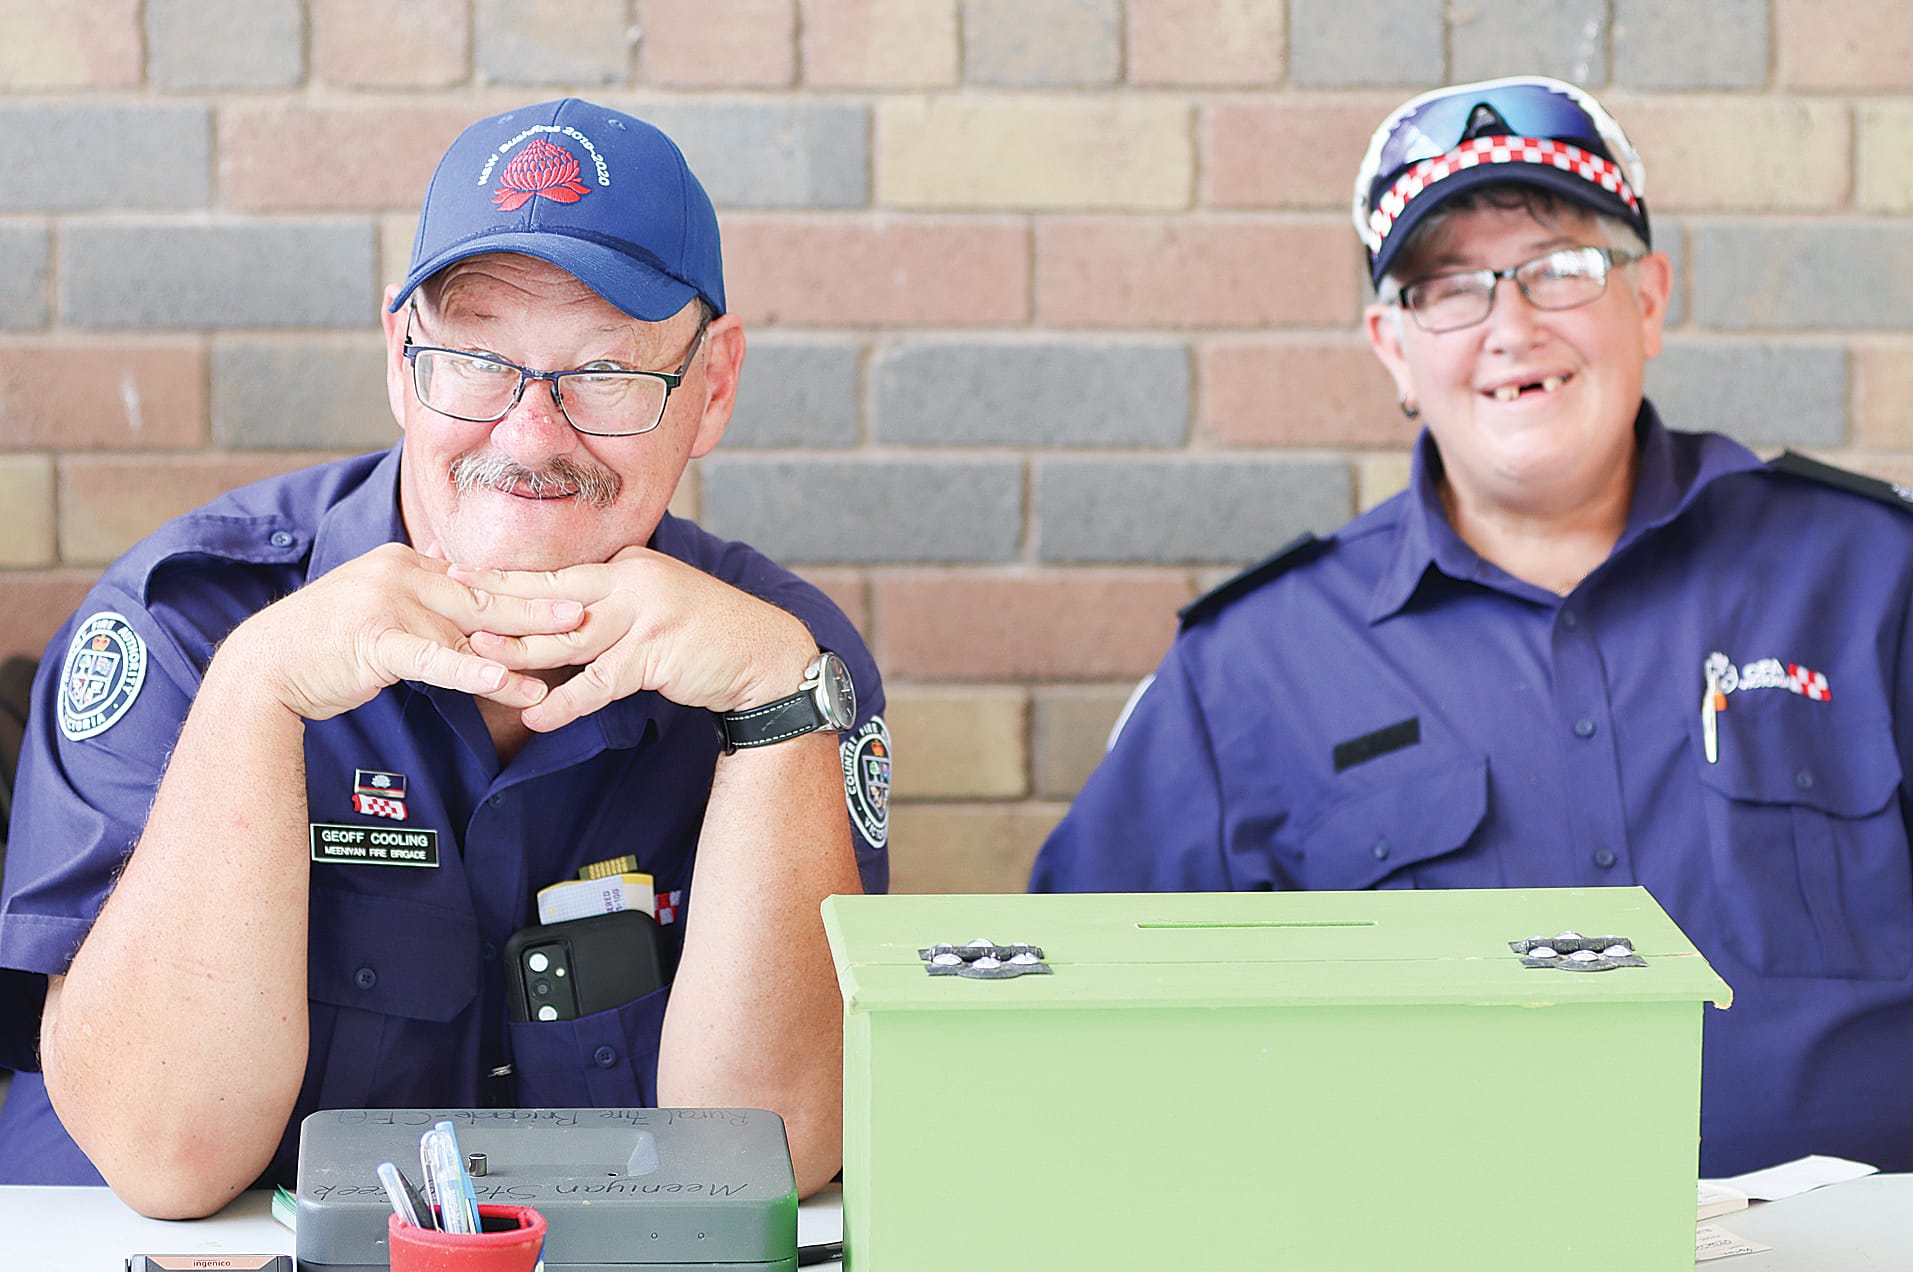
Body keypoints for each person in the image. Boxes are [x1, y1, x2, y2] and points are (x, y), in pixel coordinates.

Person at [0, 99, 891, 1216]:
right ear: (398, 355)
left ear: (709, 386)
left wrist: (772, 711)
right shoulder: (185, 626)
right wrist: (254, 694)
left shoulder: (780, 661)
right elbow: (164, 1151)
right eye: (476, 358)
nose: (530, 436)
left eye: (605, 370)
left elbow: (768, 1157)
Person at [1030, 75, 1913, 1177]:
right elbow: (1067, 1027)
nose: (1508, 326)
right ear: (1391, 346)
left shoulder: (1873, 575)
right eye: (1448, 287)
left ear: (1646, 299)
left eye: (1557, 268)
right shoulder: (1254, 663)